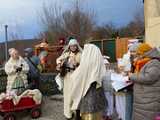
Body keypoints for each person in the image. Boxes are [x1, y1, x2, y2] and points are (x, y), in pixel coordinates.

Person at [68, 44, 107, 120]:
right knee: (97, 114)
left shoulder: (85, 65)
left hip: (87, 96)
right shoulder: (98, 63)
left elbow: (75, 77)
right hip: (98, 94)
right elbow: (102, 74)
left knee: (89, 114)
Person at [129, 43, 160, 120]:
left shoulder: (154, 62)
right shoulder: (146, 61)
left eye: (139, 54)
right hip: (144, 97)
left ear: (145, 53)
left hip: (149, 98)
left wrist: (132, 76)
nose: (138, 56)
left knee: (146, 116)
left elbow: (149, 77)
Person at [56, 38, 82, 120]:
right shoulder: (66, 54)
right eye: (71, 46)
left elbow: (84, 65)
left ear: (77, 46)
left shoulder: (80, 54)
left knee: (76, 96)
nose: (73, 47)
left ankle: (78, 114)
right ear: (69, 46)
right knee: (67, 96)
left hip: (76, 77)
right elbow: (58, 59)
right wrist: (59, 64)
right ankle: (68, 114)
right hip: (67, 77)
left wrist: (77, 64)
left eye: (74, 46)